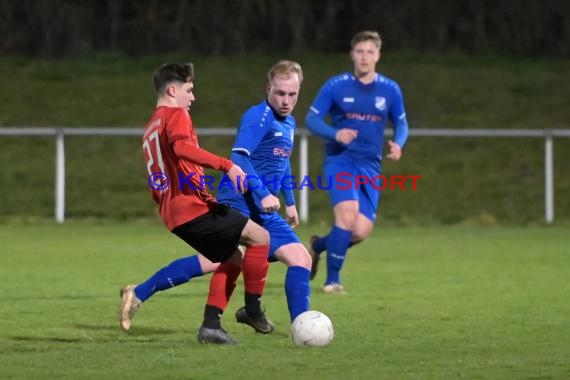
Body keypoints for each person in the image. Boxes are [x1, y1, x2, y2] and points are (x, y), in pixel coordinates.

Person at [118, 62, 272, 345]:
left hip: (173, 210)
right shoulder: (175, 114)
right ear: (173, 90)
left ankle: (205, 323)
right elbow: (182, 149)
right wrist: (226, 165)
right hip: (190, 206)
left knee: (231, 258)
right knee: (259, 237)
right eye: (189, 90)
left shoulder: (152, 123)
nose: (193, 97)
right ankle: (252, 311)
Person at [208, 60, 311, 330]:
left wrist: (290, 202)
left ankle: (302, 326)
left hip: (263, 210)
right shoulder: (259, 116)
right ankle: (141, 292)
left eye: (292, 94)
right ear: (268, 88)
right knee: (217, 261)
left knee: (302, 259)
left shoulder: (288, 122)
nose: (286, 100)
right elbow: (238, 156)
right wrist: (264, 193)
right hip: (238, 202)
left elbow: (283, 162)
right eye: (280, 93)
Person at [305, 31, 409, 294]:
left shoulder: (390, 89)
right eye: (360, 51)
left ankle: (317, 247)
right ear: (352, 54)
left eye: (370, 52)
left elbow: (402, 123)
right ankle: (333, 281)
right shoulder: (336, 85)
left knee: (360, 231)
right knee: (347, 216)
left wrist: (399, 143)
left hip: (371, 165)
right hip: (341, 160)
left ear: (378, 55)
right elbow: (312, 119)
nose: (365, 57)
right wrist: (335, 133)